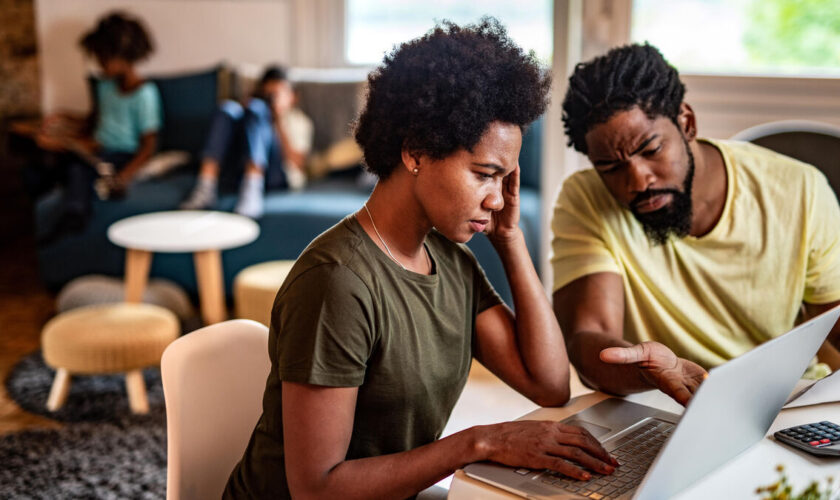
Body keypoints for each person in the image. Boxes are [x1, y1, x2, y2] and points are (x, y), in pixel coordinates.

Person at [223, 19, 619, 500]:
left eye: (505, 179)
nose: (497, 199)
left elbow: (549, 384)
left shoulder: (450, 262)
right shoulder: (336, 284)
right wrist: (479, 442)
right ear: (415, 151)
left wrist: (511, 240)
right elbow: (317, 488)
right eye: (484, 174)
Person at [551, 43, 840, 406]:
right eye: (611, 167)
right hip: (666, 405)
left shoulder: (800, 189)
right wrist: (649, 371)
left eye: (651, 150)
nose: (638, 181)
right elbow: (588, 337)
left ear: (686, 122)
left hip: (785, 400)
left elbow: (834, 322)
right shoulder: (586, 198)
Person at [37, 12, 161, 238]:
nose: (100, 64)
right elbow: (92, 121)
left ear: (123, 55)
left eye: (104, 58)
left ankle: (77, 214)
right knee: (52, 159)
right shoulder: (104, 87)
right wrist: (63, 119)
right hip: (96, 151)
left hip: (121, 155)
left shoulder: (145, 94)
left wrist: (126, 175)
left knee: (77, 168)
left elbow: (148, 145)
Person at [179, 65, 313, 218]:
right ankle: (205, 187)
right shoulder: (253, 114)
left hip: (275, 175)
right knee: (227, 109)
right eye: (267, 94)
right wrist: (246, 111)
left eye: (277, 94)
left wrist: (276, 121)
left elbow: (299, 163)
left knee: (257, 109)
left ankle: (252, 189)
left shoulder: (299, 121)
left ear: (293, 96)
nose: (272, 99)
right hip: (237, 171)